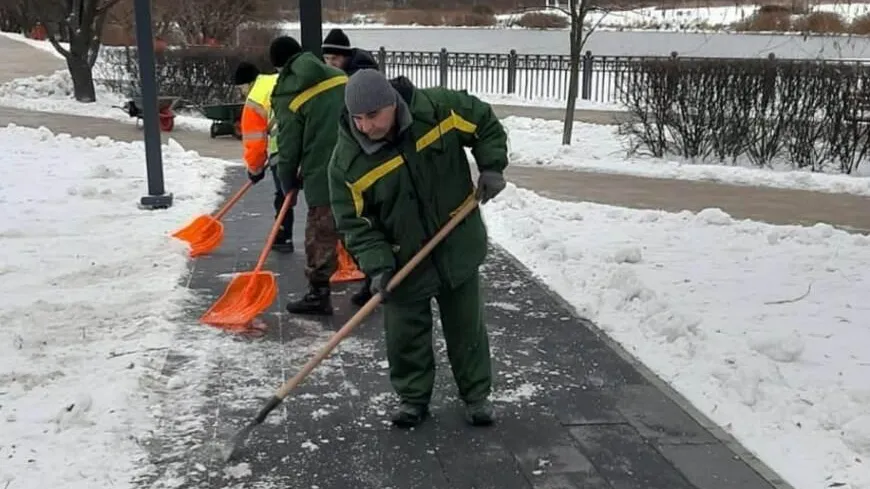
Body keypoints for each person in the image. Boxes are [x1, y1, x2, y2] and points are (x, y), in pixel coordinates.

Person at [327, 69, 508, 428]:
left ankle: (476, 396)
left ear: (392, 104)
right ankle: (413, 399)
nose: (365, 127)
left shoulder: (438, 109)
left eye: (373, 116)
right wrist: (378, 263)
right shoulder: (347, 163)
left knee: (466, 327)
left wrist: (491, 166)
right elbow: (354, 222)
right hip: (401, 258)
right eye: (357, 119)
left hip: (456, 243)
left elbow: (484, 121)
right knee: (405, 332)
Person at [269, 36, 346, 316]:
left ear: (280, 66)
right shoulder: (338, 75)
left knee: (321, 231)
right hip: (360, 165)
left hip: (323, 171)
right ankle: (376, 284)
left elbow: (289, 143)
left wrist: (287, 176)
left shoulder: (288, 90)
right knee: (360, 223)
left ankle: (319, 294)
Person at [321, 28, 380, 307]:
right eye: (327, 58)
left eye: (334, 58)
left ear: (345, 57)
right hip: (354, 154)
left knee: (366, 218)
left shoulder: (359, 79)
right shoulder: (343, 77)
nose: (330, 63)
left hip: (368, 159)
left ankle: (374, 279)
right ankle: (373, 277)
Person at [233, 61, 294, 252]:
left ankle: (283, 238)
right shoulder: (276, 79)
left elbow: (254, 143)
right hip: (308, 140)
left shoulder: (254, 99)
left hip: (283, 149)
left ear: (245, 84)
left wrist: (255, 169)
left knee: (283, 195)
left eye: (240, 89)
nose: (242, 94)